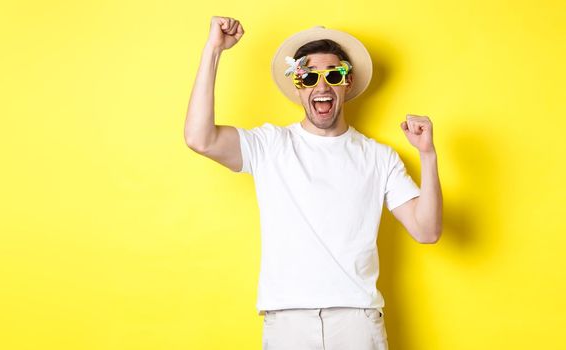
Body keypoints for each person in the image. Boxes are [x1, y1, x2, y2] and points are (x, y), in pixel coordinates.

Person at [184, 17, 443, 350]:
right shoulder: (270, 145)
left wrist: (428, 155)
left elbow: (427, 231)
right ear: (298, 85)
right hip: (287, 322)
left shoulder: (379, 157)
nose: (322, 87)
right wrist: (214, 50)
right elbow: (198, 138)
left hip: (357, 321)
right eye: (309, 77)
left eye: (333, 75)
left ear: (346, 83)